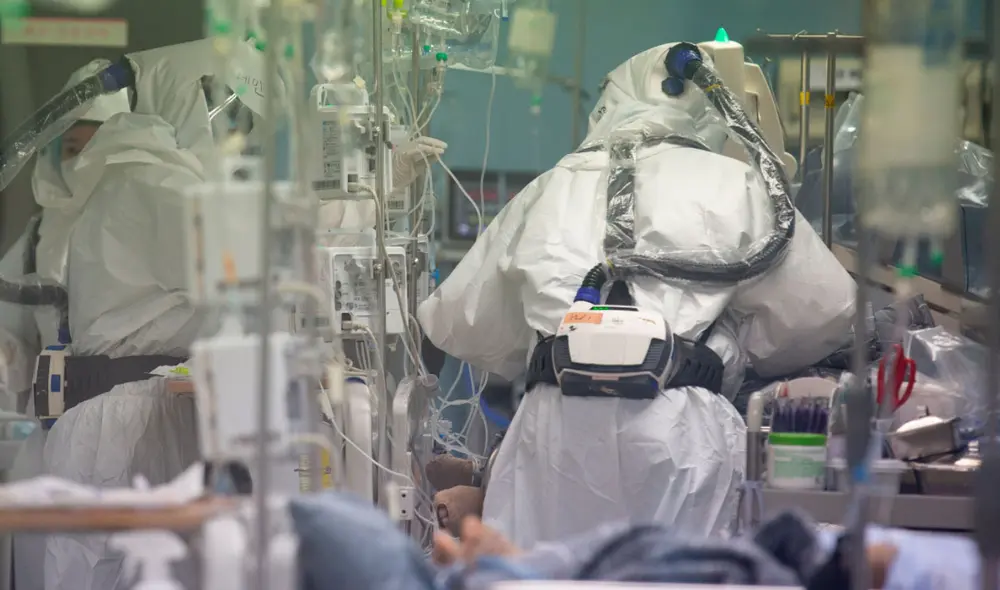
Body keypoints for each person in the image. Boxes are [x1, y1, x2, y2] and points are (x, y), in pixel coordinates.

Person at [417, 42, 856, 548]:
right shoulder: (737, 184)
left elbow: (463, 323)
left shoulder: (551, 187)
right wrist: (738, 344)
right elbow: (826, 313)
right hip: (679, 428)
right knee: (680, 577)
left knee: (542, 578)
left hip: (557, 432)